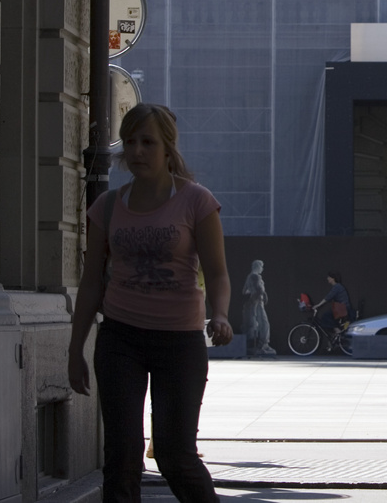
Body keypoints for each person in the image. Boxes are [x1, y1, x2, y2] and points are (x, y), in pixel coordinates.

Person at [67, 103, 232, 503]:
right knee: (121, 458)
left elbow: (217, 273)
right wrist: (75, 350)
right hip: (120, 338)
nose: (137, 151)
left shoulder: (196, 201)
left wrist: (221, 315)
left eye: (147, 142)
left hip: (179, 341)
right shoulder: (107, 206)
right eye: (130, 142)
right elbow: (90, 283)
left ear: (167, 148)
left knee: (176, 457)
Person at [242, 259, 273, 356]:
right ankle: (263, 345)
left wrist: (252, 291)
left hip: (254, 302)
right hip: (257, 302)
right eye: (261, 267)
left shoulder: (249, 276)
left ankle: (260, 345)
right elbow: (260, 290)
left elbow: (244, 291)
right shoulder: (256, 276)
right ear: (257, 266)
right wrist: (264, 294)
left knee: (256, 324)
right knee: (264, 324)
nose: (262, 269)